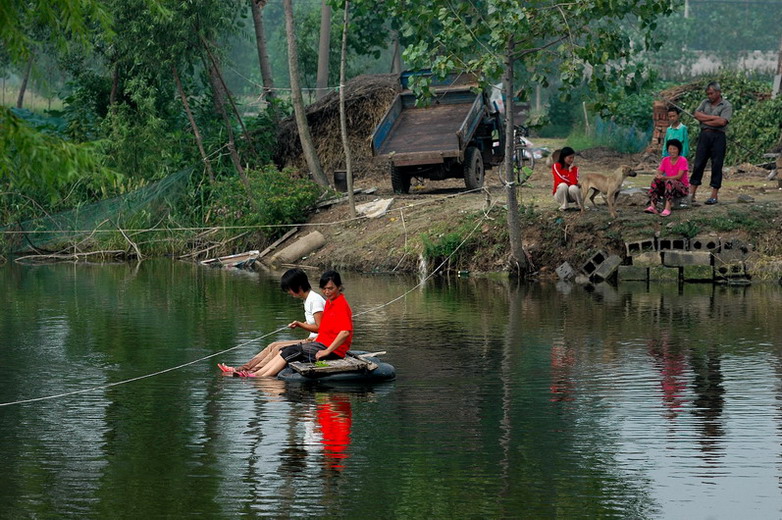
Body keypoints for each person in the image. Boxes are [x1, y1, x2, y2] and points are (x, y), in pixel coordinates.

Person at [218, 268, 325, 376]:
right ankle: (242, 368)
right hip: (311, 339)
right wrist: (303, 323)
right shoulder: (307, 299)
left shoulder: (315, 300)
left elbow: (320, 328)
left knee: (278, 348)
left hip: (316, 342)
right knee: (272, 345)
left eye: (289, 289)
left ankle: (252, 372)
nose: (288, 292)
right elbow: (316, 322)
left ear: (298, 286)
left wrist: (299, 324)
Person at [255, 270, 353, 378]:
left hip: (332, 350)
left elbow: (345, 332)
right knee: (286, 349)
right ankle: (257, 373)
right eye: (324, 289)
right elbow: (324, 329)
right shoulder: (330, 303)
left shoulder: (340, 305)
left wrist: (327, 351)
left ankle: (261, 377)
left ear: (339, 287)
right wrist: (313, 340)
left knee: (291, 351)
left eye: (330, 288)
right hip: (321, 343)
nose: (327, 292)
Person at [691, 81, 732, 205]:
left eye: (712, 93)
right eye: (708, 93)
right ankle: (691, 194)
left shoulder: (726, 105)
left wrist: (705, 119)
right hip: (704, 136)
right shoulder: (704, 102)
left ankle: (714, 195)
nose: (709, 96)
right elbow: (697, 114)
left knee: (716, 165)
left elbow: (722, 122)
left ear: (718, 92)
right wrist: (714, 118)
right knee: (698, 164)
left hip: (718, 137)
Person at [644, 138, 689, 217]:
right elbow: (660, 172)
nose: (672, 151)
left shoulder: (683, 160)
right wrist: (659, 176)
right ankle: (653, 206)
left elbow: (678, 177)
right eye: (670, 149)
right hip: (667, 187)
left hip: (681, 188)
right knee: (656, 181)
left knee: (670, 181)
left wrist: (664, 178)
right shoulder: (665, 160)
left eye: (674, 149)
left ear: (679, 150)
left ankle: (667, 208)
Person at [551, 146, 582, 211]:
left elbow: (573, 183)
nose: (572, 160)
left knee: (573, 187)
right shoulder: (556, 166)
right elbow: (560, 180)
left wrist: (570, 171)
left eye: (573, 157)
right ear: (563, 157)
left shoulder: (575, 168)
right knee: (563, 185)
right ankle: (564, 206)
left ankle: (580, 205)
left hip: (571, 196)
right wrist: (576, 184)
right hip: (560, 195)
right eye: (570, 158)